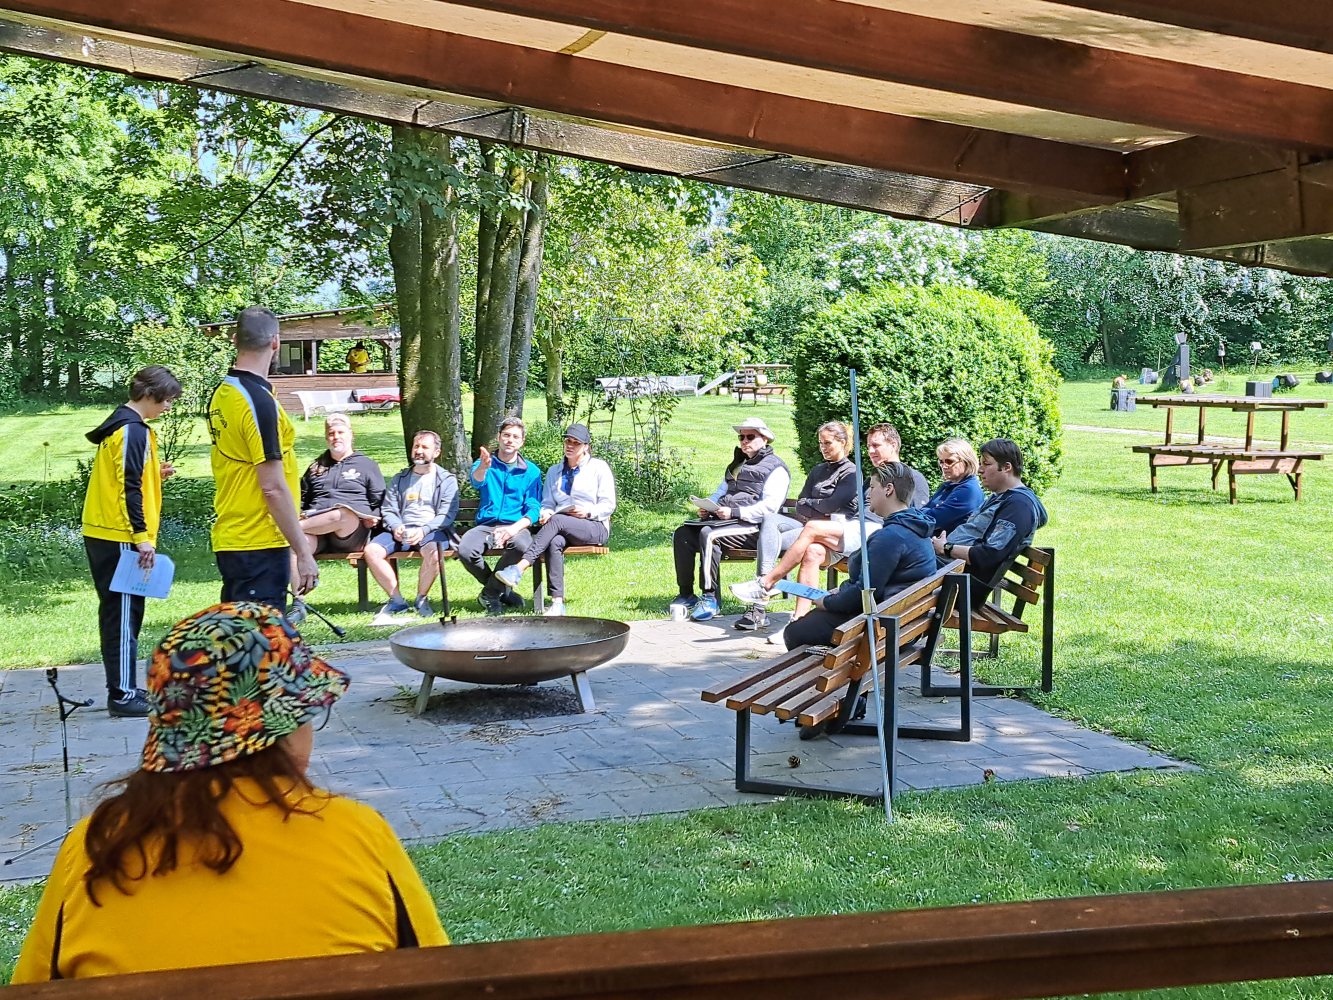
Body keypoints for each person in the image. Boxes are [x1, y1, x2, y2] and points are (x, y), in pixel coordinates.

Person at [11, 603, 447, 983]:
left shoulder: (94, 844)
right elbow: (437, 976)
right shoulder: (357, 833)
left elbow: (33, 985)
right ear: (282, 727)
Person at [730, 421, 925, 620]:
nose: (870, 451)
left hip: (878, 535)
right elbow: (805, 504)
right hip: (854, 532)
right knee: (812, 551)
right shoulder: (870, 478)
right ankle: (799, 620)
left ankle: (766, 583)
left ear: (893, 445)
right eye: (868, 446)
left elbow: (918, 516)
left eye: (876, 445)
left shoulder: (909, 477)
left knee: (812, 527)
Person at [81, 366, 183, 718]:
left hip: (109, 531)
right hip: (119, 536)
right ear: (150, 395)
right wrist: (142, 538)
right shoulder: (131, 430)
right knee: (123, 615)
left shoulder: (124, 427)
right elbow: (129, 489)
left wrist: (155, 474)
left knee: (123, 612)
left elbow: (127, 478)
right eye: (167, 400)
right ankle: (123, 694)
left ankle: (124, 685)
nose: (168, 406)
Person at [207, 306, 318, 613]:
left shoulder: (223, 393)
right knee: (262, 640)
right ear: (275, 342)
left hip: (236, 538)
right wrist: (303, 551)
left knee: (242, 638)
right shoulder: (257, 402)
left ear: (234, 340)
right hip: (259, 541)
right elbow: (272, 486)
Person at [783, 462, 936, 650]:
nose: (868, 495)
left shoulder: (891, 537)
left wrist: (827, 602)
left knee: (794, 632)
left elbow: (865, 593)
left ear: (888, 489)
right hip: (901, 623)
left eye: (872, 487)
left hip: (881, 630)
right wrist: (841, 593)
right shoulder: (916, 528)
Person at [733, 420, 858, 631]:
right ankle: (763, 587)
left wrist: (814, 505)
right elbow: (801, 504)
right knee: (770, 519)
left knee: (776, 540)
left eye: (828, 443)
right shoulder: (818, 470)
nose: (823, 448)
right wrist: (818, 506)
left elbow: (833, 504)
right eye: (820, 443)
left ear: (843, 442)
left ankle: (760, 600)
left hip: (834, 535)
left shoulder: (851, 473)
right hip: (808, 528)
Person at [669, 417, 791, 623]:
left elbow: (770, 508)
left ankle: (710, 599)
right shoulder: (738, 463)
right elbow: (721, 492)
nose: (744, 441)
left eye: (750, 437)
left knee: (709, 535)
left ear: (765, 439)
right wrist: (709, 506)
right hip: (727, 522)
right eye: (741, 437)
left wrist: (734, 513)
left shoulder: (776, 468)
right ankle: (686, 594)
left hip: (755, 528)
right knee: (683, 534)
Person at [493, 424, 616, 618]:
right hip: (561, 527)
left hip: (595, 526)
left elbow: (609, 504)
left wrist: (588, 512)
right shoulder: (554, 471)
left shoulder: (598, 468)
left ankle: (519, 568)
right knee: (554, 541)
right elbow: (548, 503)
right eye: (568, 441)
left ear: (586, 446)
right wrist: (546, 513)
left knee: (558, 520)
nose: (570, 446)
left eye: (576, 443)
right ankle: (557, 603)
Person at [289, 414, 386, 623]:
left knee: (341, 513)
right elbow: (302, 499)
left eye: (340, 432)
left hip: (350, 531)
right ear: (326, 438)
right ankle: (298, 604)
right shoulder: (316, 467)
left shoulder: (366, 465)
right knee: (298, 544)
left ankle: (289, 528)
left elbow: (379, 500)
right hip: (317, 529)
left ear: (351, 435)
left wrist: (374, 518)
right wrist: (301, 512)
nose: (336, 437)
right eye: (331, 434)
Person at [364, 430, 459, 621]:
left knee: (434, 553)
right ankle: (397, 601)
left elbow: (446, 515)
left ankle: (421, 599)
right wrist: (396, 526)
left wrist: (424, 530)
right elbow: (388, 508)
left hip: (432, 531)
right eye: (416, 446)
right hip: (401, 530)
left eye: (425, 447)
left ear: (436, 452)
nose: (419, 451)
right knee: (371, 551)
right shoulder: (400, 478)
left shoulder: (447, 480)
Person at [933, 438, 1048, 591]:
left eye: (986, 464)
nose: (980, 470)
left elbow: (988, 556)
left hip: (960, 585)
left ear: (1007, 467)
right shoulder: (1001, 497)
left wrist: (945, 548)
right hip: (949, 572)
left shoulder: (1019, 506)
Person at [457, 416, 544, 616]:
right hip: (486, 525)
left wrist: (513, 529)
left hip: (515, 526)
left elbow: (534, 508)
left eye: (515, 437)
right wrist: (483, 467)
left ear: (522, 442)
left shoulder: (531, 472)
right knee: (466, 550)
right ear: (499, 437)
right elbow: (477, 481)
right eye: (506, 435)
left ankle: (490, 594)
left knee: (522, 546)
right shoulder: (485, 463)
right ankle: (502, 591)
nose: (510, 440)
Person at [922, 437, 984, 535]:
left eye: (949, 462)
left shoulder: (968, 490)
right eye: (941, 462)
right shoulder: (947, 486)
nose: (944, 466)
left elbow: (933, 519)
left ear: (966, 462)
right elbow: (925, 512)